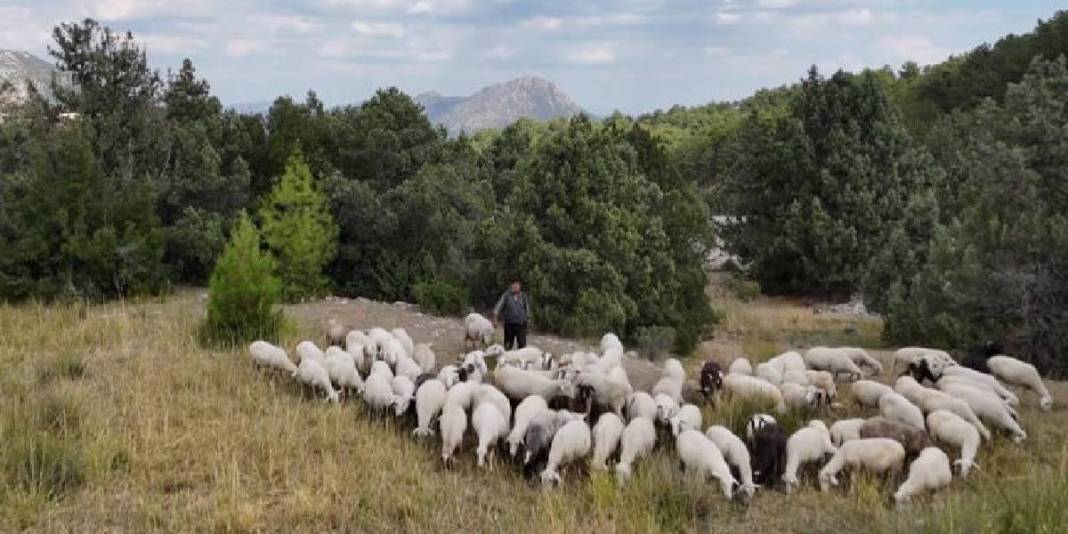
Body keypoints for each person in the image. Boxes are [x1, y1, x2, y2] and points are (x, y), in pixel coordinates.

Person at [493, 278, 530, 350]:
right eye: (513, 284)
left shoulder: (523, 296)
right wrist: (495, 318)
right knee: (508, 345)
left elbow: (527, 310)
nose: (515, 286)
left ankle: (520, 360)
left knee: (522, 345)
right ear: (511, 285)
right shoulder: (506, 295)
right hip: (509, 324)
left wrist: (528, 325)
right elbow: (499, 306)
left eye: (517, 284)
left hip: (521, 323)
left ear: (520, 286)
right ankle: (508, 359)